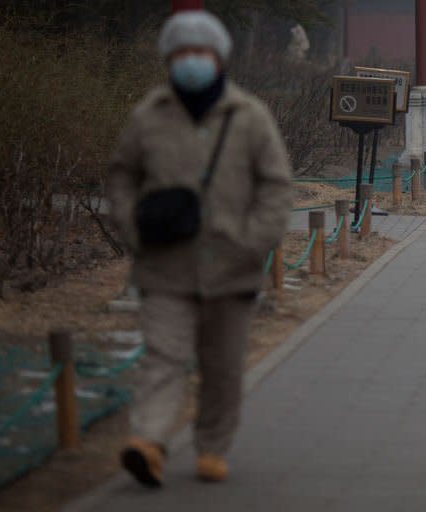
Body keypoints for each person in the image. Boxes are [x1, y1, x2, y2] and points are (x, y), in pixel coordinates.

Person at [107, 10, 292, 487]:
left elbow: (275, 186)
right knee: (163, 356)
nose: (192, 61)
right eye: (182, 53)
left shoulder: (248, 116)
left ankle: (212, 445)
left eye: (201, 52)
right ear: (169, 58)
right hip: (165, 264)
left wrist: (255, 242)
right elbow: (123, 174)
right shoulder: (149, 115)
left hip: (233, 266)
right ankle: (147, 442)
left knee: (222, 366)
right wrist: (132, 228)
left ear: (219, 57)